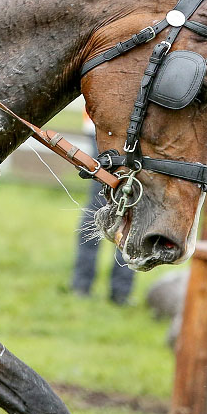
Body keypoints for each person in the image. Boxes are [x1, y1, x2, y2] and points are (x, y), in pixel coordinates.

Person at [70, 114, 134, 304]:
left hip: (134, 132)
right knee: (99, 204)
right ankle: (82, 284)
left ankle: (120, 291)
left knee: (131, 207)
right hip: (104, 129)